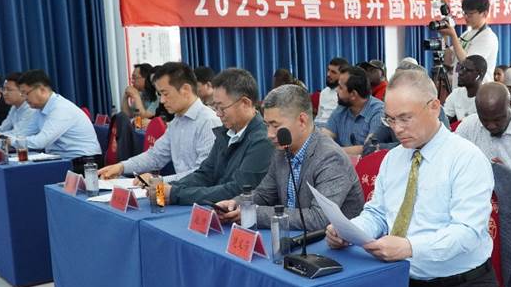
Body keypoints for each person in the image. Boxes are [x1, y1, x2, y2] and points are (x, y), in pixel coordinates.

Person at [325, 69, 497, 287]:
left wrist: (409, 246)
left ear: (434, 107)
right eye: (391, 119)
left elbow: (467, 233)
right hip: (402, 282)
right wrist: (350, 230)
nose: (397, 129)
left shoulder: (466, 159)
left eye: (405, 118)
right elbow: (377, 213)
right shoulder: (394, 159)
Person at [216, 84, 363, 231]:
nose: (269, 134)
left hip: (331, 240)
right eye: (267, 125)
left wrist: (253, 213)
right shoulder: (282, 150)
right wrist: (237, 204)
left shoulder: (331, 158)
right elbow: (264, 194)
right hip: (293, 235)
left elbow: (318, 219)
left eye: (275, 126)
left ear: (302, 121)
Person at [163, 68, 273, 205]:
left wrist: (176, 194)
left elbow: (236, 190)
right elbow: (206, 174)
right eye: (215, 108)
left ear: (245, 103)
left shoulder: (262, 140)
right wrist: (171, 187)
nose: (218, 114)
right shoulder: (225, 133)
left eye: (222, 108)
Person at [98, 62, 221, 183]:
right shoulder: (177, 122)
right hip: (181, 190)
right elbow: (155, 156)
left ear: (185, 89)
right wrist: (121, 167)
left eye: (165, 94)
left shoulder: (209, 122)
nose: (162, 100)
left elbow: (203, 174)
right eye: (160, 94)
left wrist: (158, 181)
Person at [13, 70, 101, 168]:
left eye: (26, 93)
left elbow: (40, 142)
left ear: (42, 90)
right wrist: (3, 138)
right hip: (61, 160)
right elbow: (24, 133)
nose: (24, 98)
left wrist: (9, 141)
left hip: (84, 163)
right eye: (22, 94)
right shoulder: (39, 109)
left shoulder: (60, 108)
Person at [362, 61, 451, 153]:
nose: (397, 129)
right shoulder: (391, 115)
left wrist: (388, 147)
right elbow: (369, 146)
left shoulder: (432, 111)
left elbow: (437, 146)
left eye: (405, 119)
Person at [322, 66, 384, 155]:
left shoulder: (378, 111)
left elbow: (370, 148)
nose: (336, 90)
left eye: (340, 87)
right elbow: (324, 138)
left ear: (353, 94)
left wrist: (334, 151)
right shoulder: (341, 108)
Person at [438, 0, 499, 82]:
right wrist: (445, 37)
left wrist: (453, 35)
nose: (466, 17)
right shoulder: (466, 34)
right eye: (464, 13)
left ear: (484, 13)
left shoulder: (488, 37)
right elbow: (448, 61)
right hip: (460, 88)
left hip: (478, 89)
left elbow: (468, 64)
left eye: (470, 14)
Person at [0, 73, 38, 146]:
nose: (4, 93)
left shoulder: (30, 108)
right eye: (4, 89)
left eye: (9, 90)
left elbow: (19, 134)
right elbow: (2, 129)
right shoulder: (14, 107)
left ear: (22, 91)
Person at [443, 54, 486, 122]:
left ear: (479, 75)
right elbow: (444, 120)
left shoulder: (487, 98)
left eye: (467, 70)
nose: (460, 72)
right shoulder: (456, 94)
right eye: (460, 68)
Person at [314, 57, 349, 126]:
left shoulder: (347, 93)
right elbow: (319, 117)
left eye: (333, 72)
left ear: (343, 75)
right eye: (328, 70)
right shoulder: (324, 92)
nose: (328, 74)